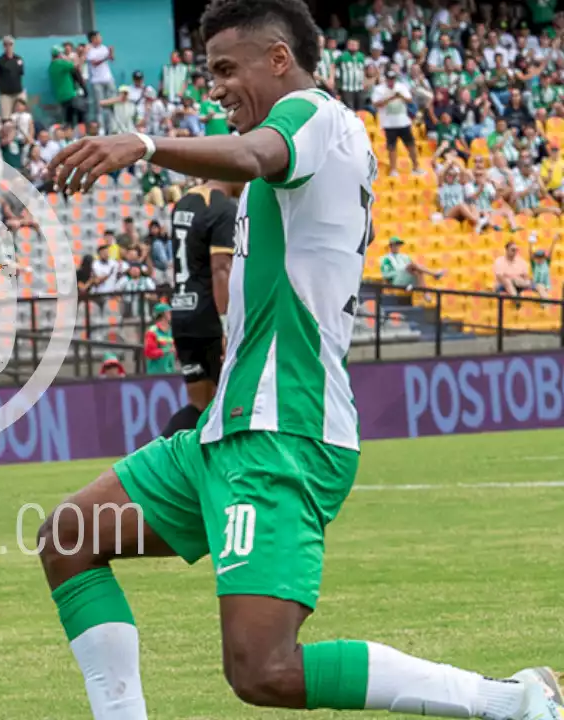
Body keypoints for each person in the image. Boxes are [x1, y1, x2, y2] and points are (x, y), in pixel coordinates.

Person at [42, 0, 563, 718]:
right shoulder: (306, 143)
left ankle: (507, 701)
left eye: (227, 68)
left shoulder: (316, 117)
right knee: (68, 537)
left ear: (279, 60)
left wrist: (143, 142)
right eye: (209, 72)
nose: (216, 86)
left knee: (265, 672)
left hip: (282, 432)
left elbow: (257, 155)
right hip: (226, 433)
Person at [162, 180, 242, 438]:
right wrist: (228, 325)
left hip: (183, 312)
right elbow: (221, 269)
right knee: (236, 400)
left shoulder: (184, 202)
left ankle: (158, 464)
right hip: (209, 317)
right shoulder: (224, 208)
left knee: (200, 405)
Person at [372, 70, 422, 176]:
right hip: (389, 123)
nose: (391, 81)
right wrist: (391, 97)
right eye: (389, 79)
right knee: (392, 147)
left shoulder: (401, 87)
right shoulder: (379, 89)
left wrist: (400, 96)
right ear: (386, 79)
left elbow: (409, 100)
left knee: (411, 144)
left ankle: (416, 167)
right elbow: (376, 104)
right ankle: (393, 169)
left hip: (403, 121)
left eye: (393, 79)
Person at [380, 237, 444, 288]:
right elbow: (386, 274)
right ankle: (434, 274)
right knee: (413, 265)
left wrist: (405, 270)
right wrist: (399, 272)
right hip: (396, 280)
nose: (397, 246)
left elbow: (412, 268)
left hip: (407, 277)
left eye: (398, 245)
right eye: (395, 245)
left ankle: (425, 291)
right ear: (391, 246)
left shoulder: (404, 256)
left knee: (418, 270)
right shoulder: (386, 258)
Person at [0, 35, 26, 118]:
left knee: (22, 116)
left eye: (10, 44)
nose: (8, 47)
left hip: (18, 92)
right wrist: (1, 90)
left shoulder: (18, 59)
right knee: (6, 117)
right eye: (6, 44)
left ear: (13, 45)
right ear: (3, 46)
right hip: (5, 95)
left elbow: (21, 74)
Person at [142, 302, 175, 373]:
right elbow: (149, 353)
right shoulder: (152, 331)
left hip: (170, 373)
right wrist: (166, 351)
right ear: (163, 314)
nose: (171, 315)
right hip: (156, 375)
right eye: (169, 313)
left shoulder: (171, 331)